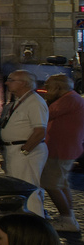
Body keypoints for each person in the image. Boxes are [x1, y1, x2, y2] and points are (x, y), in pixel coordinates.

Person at [0, 70, 49, 216]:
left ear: (24, 83)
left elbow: (40, 131)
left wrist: (24, 151)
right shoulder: (21, 101)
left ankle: (35, 222)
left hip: (26, 150)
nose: (7, 83)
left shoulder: (35, 102)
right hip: (16, 149)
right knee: (17, 187)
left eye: (11, 80)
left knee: (28, 187)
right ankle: (22, 219)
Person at [43, 73, 82, 234]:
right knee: (62, 183)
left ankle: (67, 219)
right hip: (64, 148)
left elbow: (46, 114)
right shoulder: (72, 98)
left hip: (60, 149)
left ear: (58, 88)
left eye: (49, 88)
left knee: (50, 183)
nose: (46, 91)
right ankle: (68, 216)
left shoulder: (69, 100)